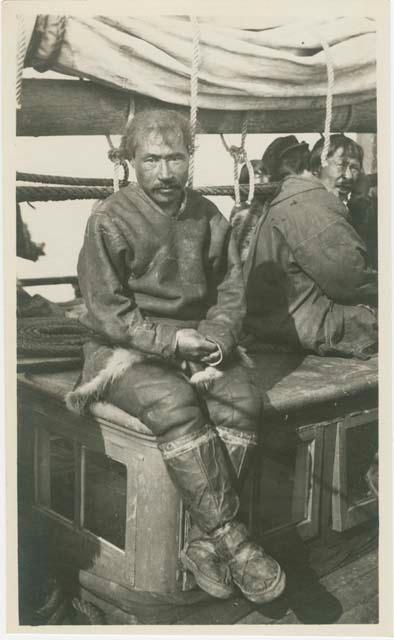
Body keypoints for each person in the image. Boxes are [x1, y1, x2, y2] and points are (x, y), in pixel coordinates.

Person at [67, 109, 286, 604]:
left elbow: (229, 294)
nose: (165, 172)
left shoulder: (208, 216)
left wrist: (215, 340)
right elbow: (107, 312)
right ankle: (232, 538)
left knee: (243, 400)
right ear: (130, 161)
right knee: (175, 405)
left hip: (197, 345)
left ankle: (204, 545)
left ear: (190, 158)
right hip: (122, 351)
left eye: (176, 158)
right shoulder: (108, 219)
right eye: (152, 160)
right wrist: (172, 343)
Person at [244, 134, 378, 359]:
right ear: (317, 166)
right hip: (305, 325)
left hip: (276, 321)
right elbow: (351, 281)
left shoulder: (294, 196)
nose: (348, 176)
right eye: (341, 165)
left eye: (355, 168)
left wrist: (360, 199)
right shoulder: (311, 207)